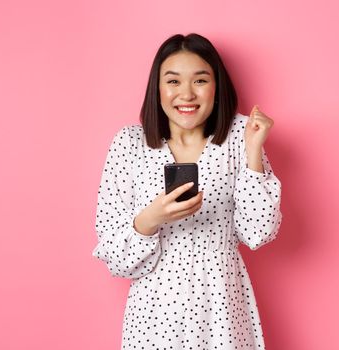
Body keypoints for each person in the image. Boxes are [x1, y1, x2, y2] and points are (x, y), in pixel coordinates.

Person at [93, 33, 282, 350]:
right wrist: (150, 218)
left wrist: (253, 153)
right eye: (173, 81)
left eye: (200, 80)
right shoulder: (129, 144)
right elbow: (115, 257)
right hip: (154, 313)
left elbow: (259, 233)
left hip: (222, 306)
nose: (186, 94)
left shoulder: (240, 136)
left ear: (216, 86)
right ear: (158, 88)